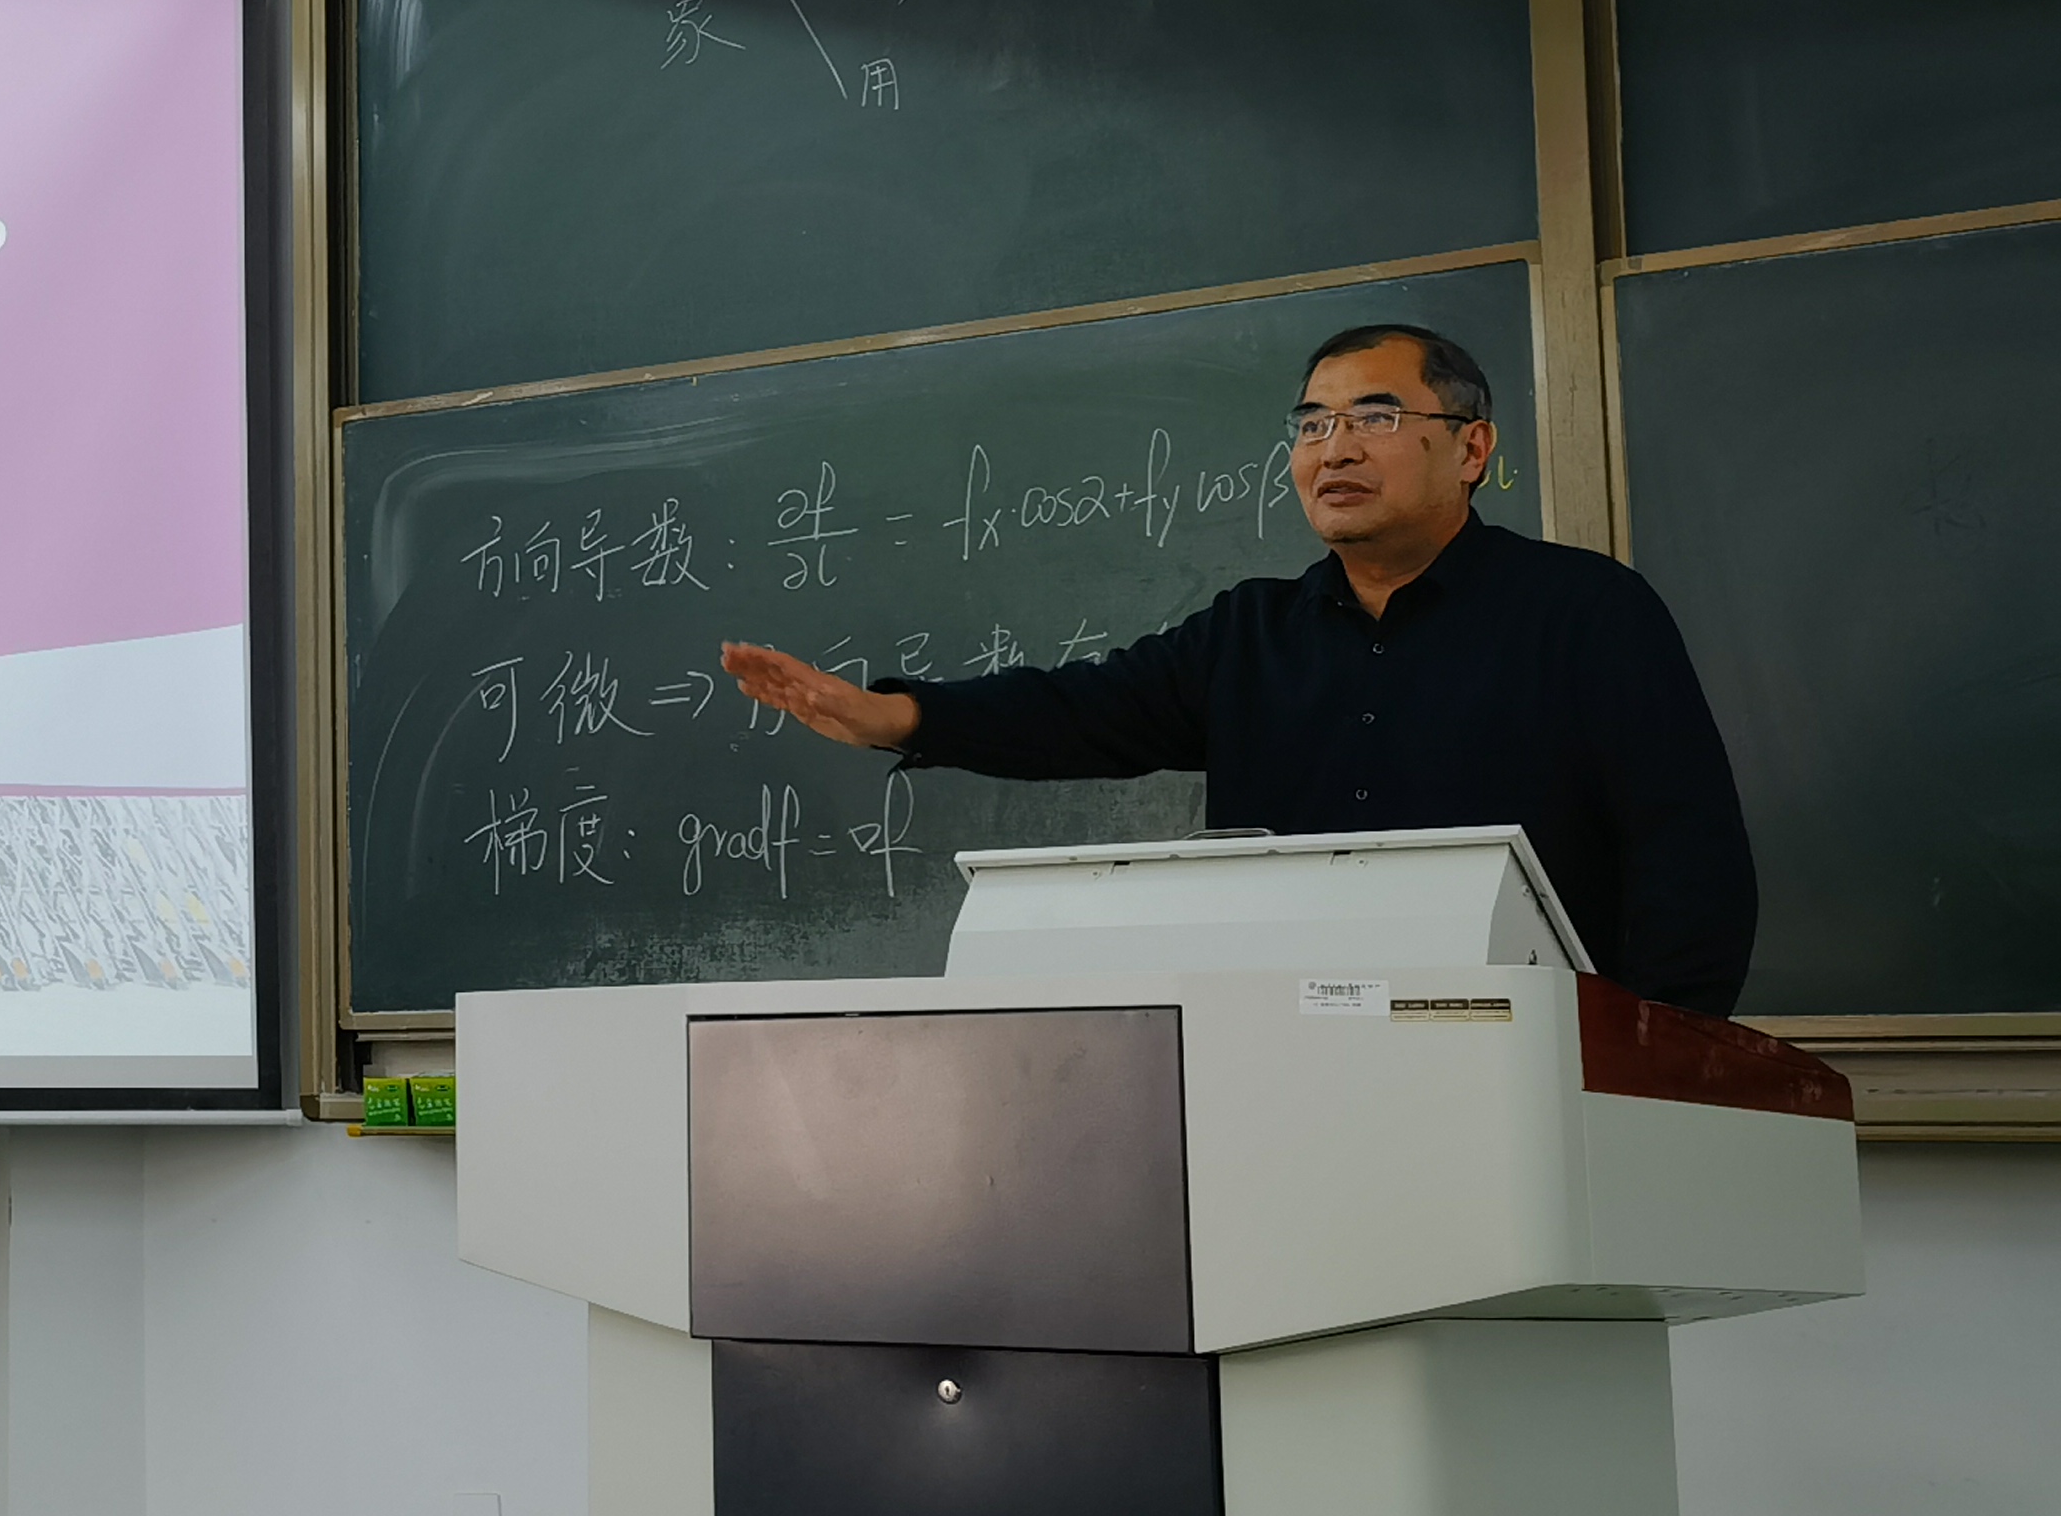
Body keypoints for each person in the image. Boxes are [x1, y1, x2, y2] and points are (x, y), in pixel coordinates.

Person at [716, 322, 1759, 1013]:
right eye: (1312, 424)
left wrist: (1652, 1055)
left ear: (1471, 449)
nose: (1333, 449)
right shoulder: (1252, 631)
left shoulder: (1586, 612)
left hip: (1530, 1072)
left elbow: (1690, 858)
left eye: (1375, 418)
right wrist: (899, 718)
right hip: (1291, 1064)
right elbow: (1083, 710)